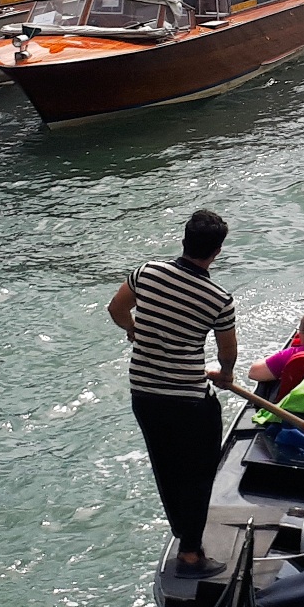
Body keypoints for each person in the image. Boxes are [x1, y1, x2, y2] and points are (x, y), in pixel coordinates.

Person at [109, 210, 238, 578]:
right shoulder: (218, 298)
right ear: (216, 251)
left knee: (166, 468)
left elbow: (116, 308)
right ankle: (191, 554)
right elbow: (227, 351)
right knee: (199, 472)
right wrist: (226, 375)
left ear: (184, 241)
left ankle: (184, 534)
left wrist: (135, 331)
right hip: (188, 398)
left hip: (145, 394)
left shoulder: (147, 272)